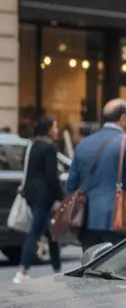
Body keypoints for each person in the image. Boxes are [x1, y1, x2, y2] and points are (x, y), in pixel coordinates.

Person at [65, 98, 126, 250]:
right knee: (119, 270)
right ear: (124, 118)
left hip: (85, 221)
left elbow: (71, 185)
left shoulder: (83, 144)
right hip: (118, 221)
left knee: (90, 268)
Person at [13, 115, 64, 284]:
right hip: (44, 196)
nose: (57, 130)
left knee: (51, 233)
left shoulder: (32, 145)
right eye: (55, 127)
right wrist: (61, 196)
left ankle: (57, 270)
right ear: (49, 129)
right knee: (35, 232)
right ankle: (22, 271)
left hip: (31, 195)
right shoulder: (49, 148)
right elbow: (52, 177)